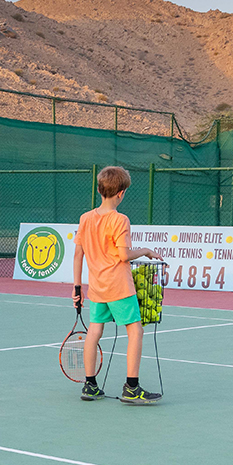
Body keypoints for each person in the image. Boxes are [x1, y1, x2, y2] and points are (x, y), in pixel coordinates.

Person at [72, 166, 166, 404]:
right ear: (121, 193)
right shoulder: (120, 219)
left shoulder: (85, 218)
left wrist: (77, 288)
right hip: (119, 286)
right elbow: (123, 255)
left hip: (97, 287)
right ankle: (132, 388)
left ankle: (90, 385)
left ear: (99, 189)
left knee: (94, 332)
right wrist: (145, 251)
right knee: (135, 330)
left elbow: (78, 256)